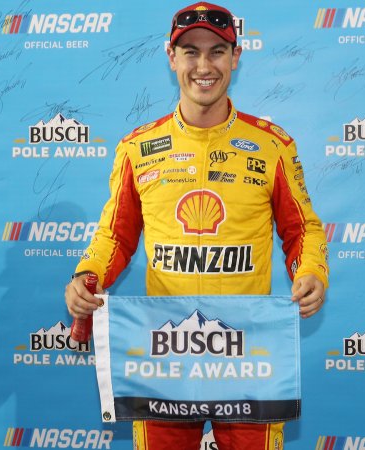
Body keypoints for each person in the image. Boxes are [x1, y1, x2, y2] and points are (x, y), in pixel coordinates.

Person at [64, 2, 329, 449]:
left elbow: (302, 229)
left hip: (248, 350)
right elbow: (115, 235)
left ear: (235, 57)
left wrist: (311, 272)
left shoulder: (273, 145)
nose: (204, 66)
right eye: (191, 52)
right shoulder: (137, 148)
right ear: (172, 57)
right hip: (165, 352)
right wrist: (86, 274)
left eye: (217, 52)